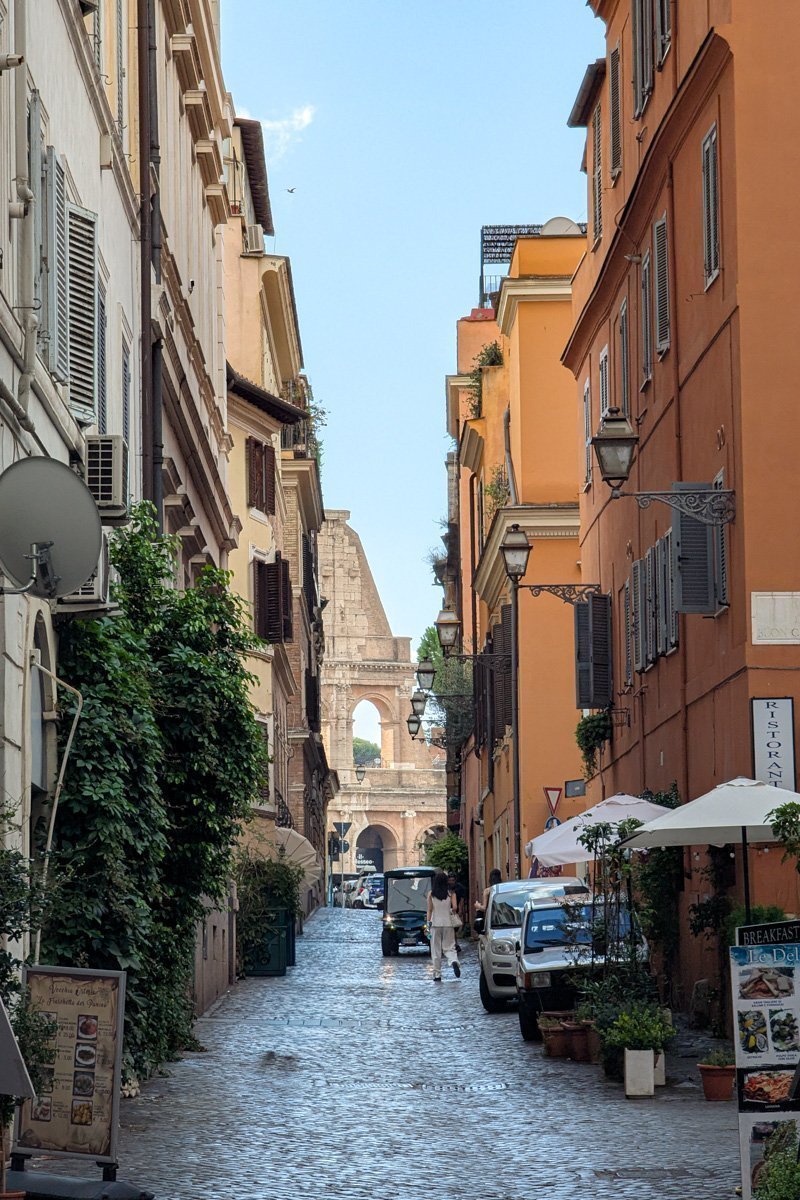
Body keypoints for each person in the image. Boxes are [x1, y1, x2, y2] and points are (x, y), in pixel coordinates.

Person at [427, 870, 461, 982]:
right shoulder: (451, 894)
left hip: (435, 923)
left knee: (435, 950)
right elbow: (455, 908)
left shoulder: (431, 894)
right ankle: (453, 960)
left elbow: (430, 910)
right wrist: (450, 910)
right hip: (448, 923)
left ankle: (437, 974)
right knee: (450, 946)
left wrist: (428, 925)